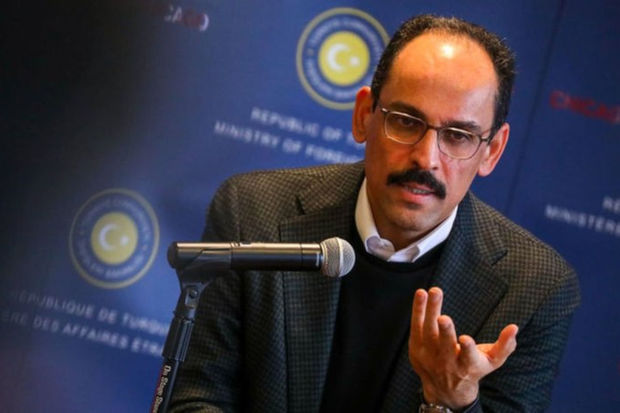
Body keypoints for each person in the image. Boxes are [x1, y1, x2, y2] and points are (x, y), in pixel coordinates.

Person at [169, 14, 580, 412]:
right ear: (364, 115)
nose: (426, 159)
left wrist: (452, 404)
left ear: (492, 150)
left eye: (458, 136)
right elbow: (195, 398)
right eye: (406, 121)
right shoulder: (252, 212)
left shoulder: (535, 287)